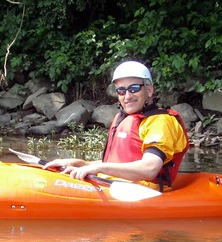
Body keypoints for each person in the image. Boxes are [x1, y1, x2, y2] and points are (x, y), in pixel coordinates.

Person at [43, 61, 189, 191]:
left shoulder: (160, 122)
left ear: (149, 90)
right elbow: (119, 163)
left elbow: (149, 169)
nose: (127, 96)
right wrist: (81, 163)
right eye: (121, 90)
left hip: (142, 193)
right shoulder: (123, 118)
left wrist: (99, 168)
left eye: (134, 88)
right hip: (114, 184)